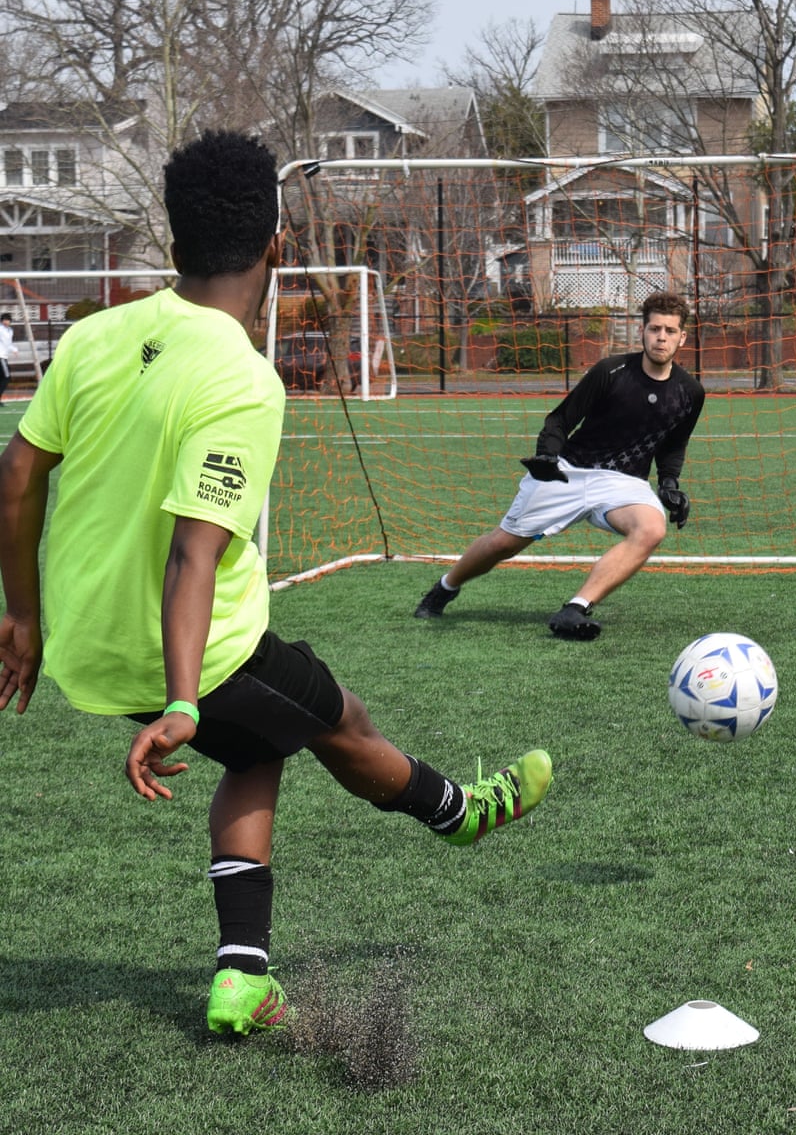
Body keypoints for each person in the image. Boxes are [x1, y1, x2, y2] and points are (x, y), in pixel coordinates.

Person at [0, 130, 552, 1037]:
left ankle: (242, 975)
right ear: (278, 249)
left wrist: (22, 615)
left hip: (88, 647)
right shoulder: (245, 380)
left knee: (256, 749)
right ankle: (458, 813)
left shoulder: (94, 335)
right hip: (191, 653)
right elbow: (194, 557)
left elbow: (18, 475)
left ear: (173, 246)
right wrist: (182, 701)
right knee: (342, 722)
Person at [415, 291, 705, 640]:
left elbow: (674, 444)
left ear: (682, 337)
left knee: (651, 529)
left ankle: (575, 608)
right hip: (569, 470)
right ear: (641, 331)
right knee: (502, 544)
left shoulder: (691, 392)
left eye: (670, 331)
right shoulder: (610, 371)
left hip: (623, 483)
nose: (662, 337)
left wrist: (669, 484)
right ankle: (446, 586)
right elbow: (559, 420)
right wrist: (547, 456)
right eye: (655, 329)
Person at [0, 313, 13, 405]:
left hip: (4, 356)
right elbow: (5, 342)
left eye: (8, 320)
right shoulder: (0, 329)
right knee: (6, 377)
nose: (6, 321)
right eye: (4, 319)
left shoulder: (10, 330)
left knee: (2, 378)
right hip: (1, 356)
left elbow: (9, 343)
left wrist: (14, 349)